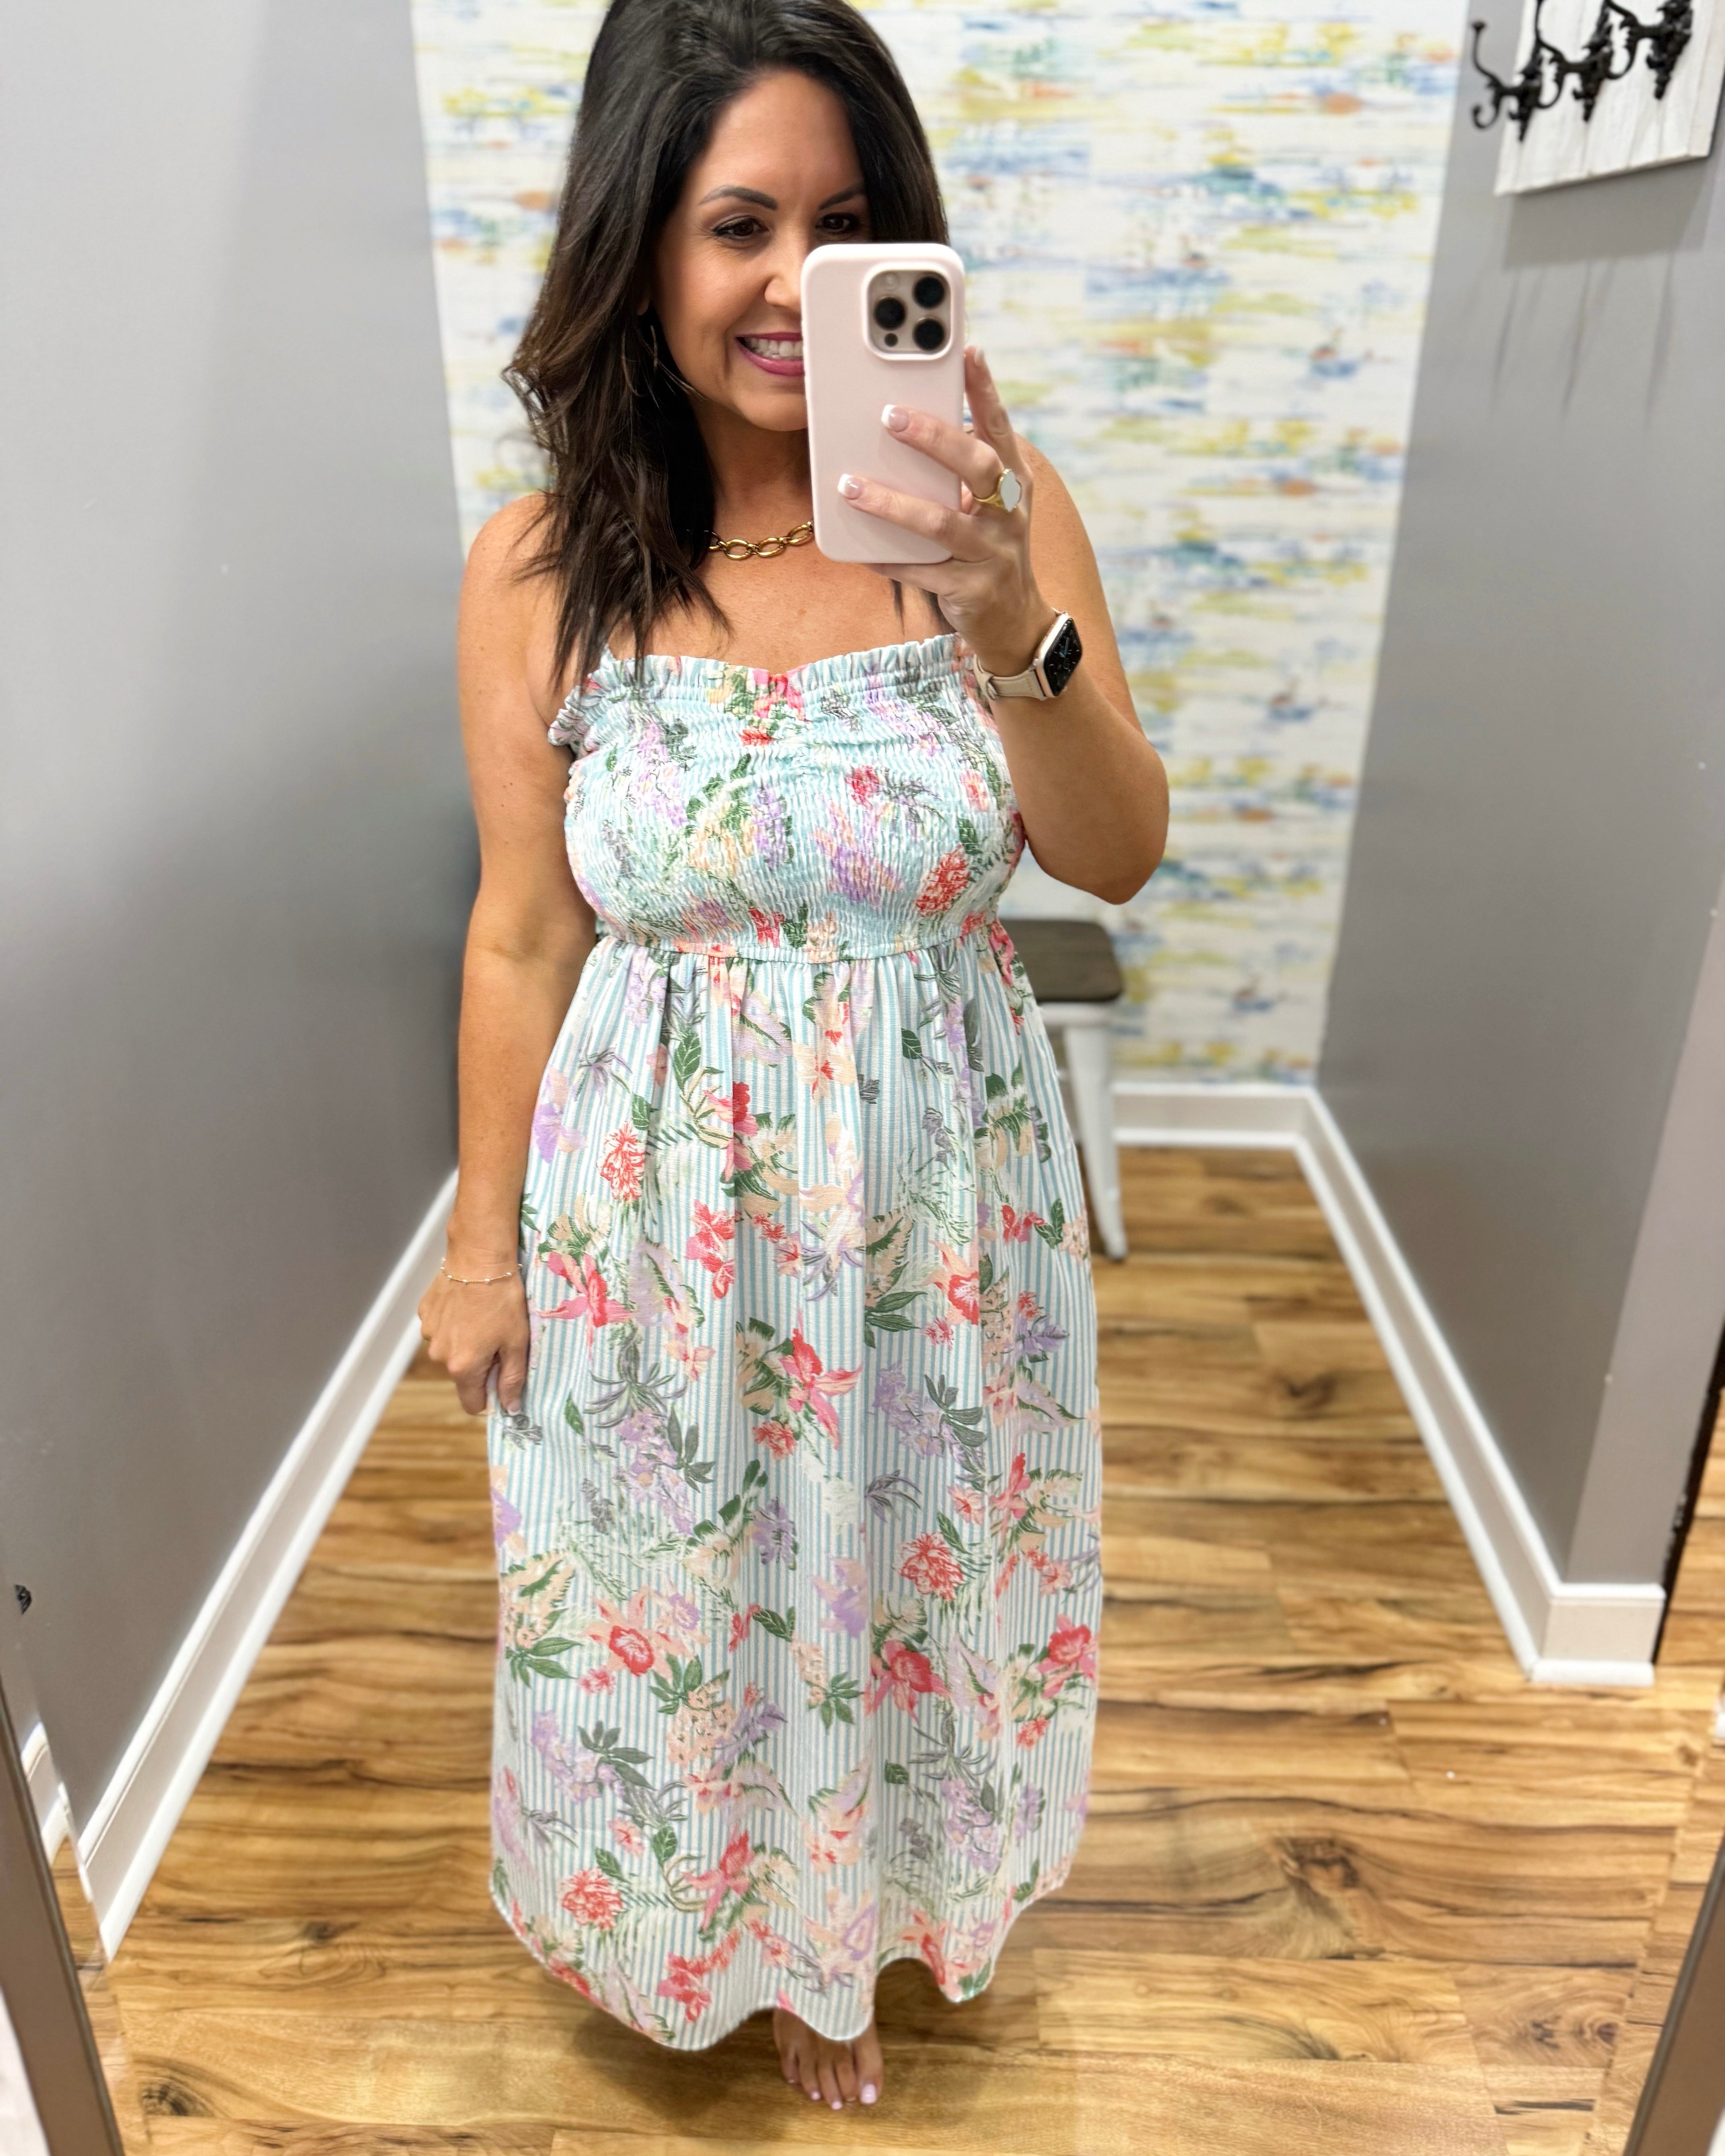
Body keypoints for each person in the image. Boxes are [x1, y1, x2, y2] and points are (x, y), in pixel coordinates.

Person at [417, 0, 1168, 2113]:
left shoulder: (999, 519)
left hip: (933, 1200)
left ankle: (849, 1937)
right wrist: (484, 1247)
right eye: (737, 223)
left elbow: (1110, 855)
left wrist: (1005, 609)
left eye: (844, 228)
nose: (785, 284)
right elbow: (523, 927)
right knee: (680, 1583)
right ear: (638, 247)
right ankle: (709, 1923)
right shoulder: (544, 569)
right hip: (653, 1202)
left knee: (911, 1566)